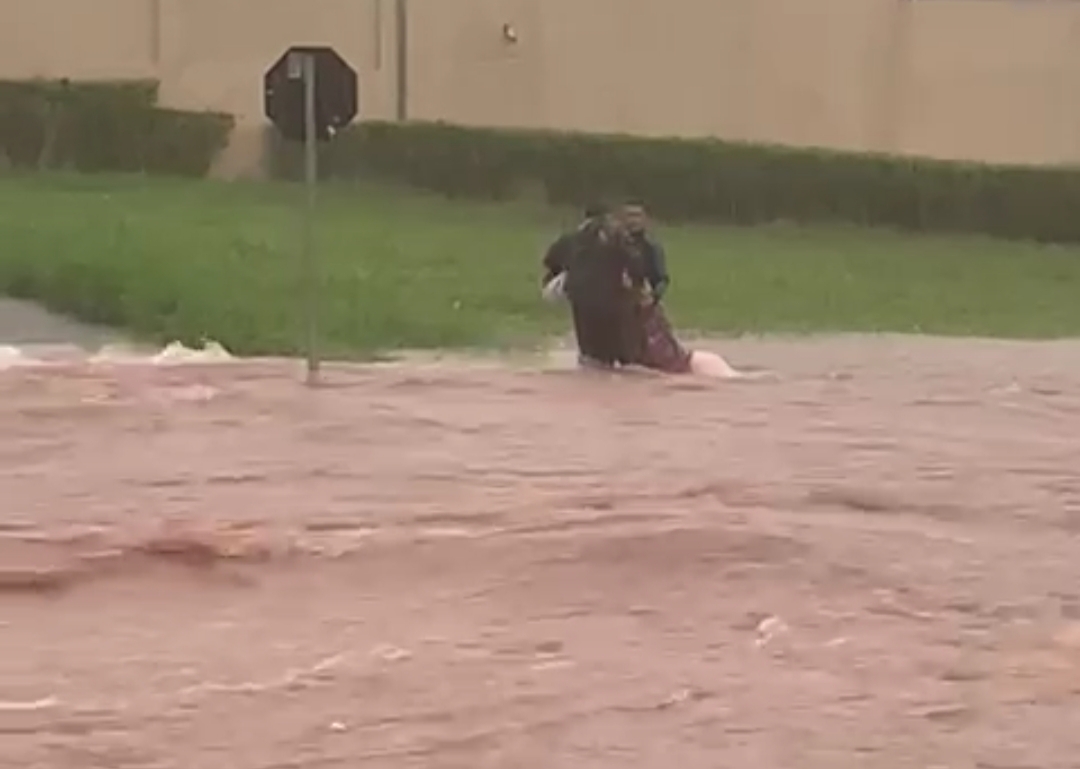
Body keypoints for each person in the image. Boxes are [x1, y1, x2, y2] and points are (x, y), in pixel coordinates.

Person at [541, 204, 640, 368]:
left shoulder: (571, 239)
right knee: (613, 349)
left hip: (580, 297)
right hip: (611, 299)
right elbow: (635, 265)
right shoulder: (618, 240)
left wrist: (559, 274)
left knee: (588, 352)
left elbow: (550, 261)